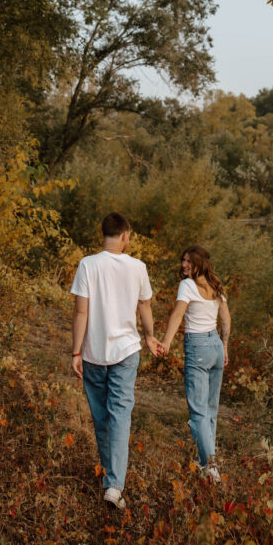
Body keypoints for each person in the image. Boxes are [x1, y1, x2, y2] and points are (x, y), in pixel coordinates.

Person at [70, 212, 159, 509]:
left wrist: (76, 351)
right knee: (120, 414)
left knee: (102, 418)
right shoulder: (137, 267)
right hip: (126, 352)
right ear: (124, 235)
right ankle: (114, 485)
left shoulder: (87, 265)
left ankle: (112, 482)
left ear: (104, 235)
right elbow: (144, 305)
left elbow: (81, 312)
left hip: (94, 353)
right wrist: (149, 336)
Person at [160, 244, 231, 482]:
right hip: (215, 347)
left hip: (199, 347)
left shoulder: (187, 285)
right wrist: (225, 347)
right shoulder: (216, 286)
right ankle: (205, 462)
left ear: (200, 263)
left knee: (199, 412)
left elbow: (178, 314)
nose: (184, 265)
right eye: (183, 261)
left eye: (188, 261)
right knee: (210, 411)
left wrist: (167, 342)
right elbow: (226, 320)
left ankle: (211, 469)